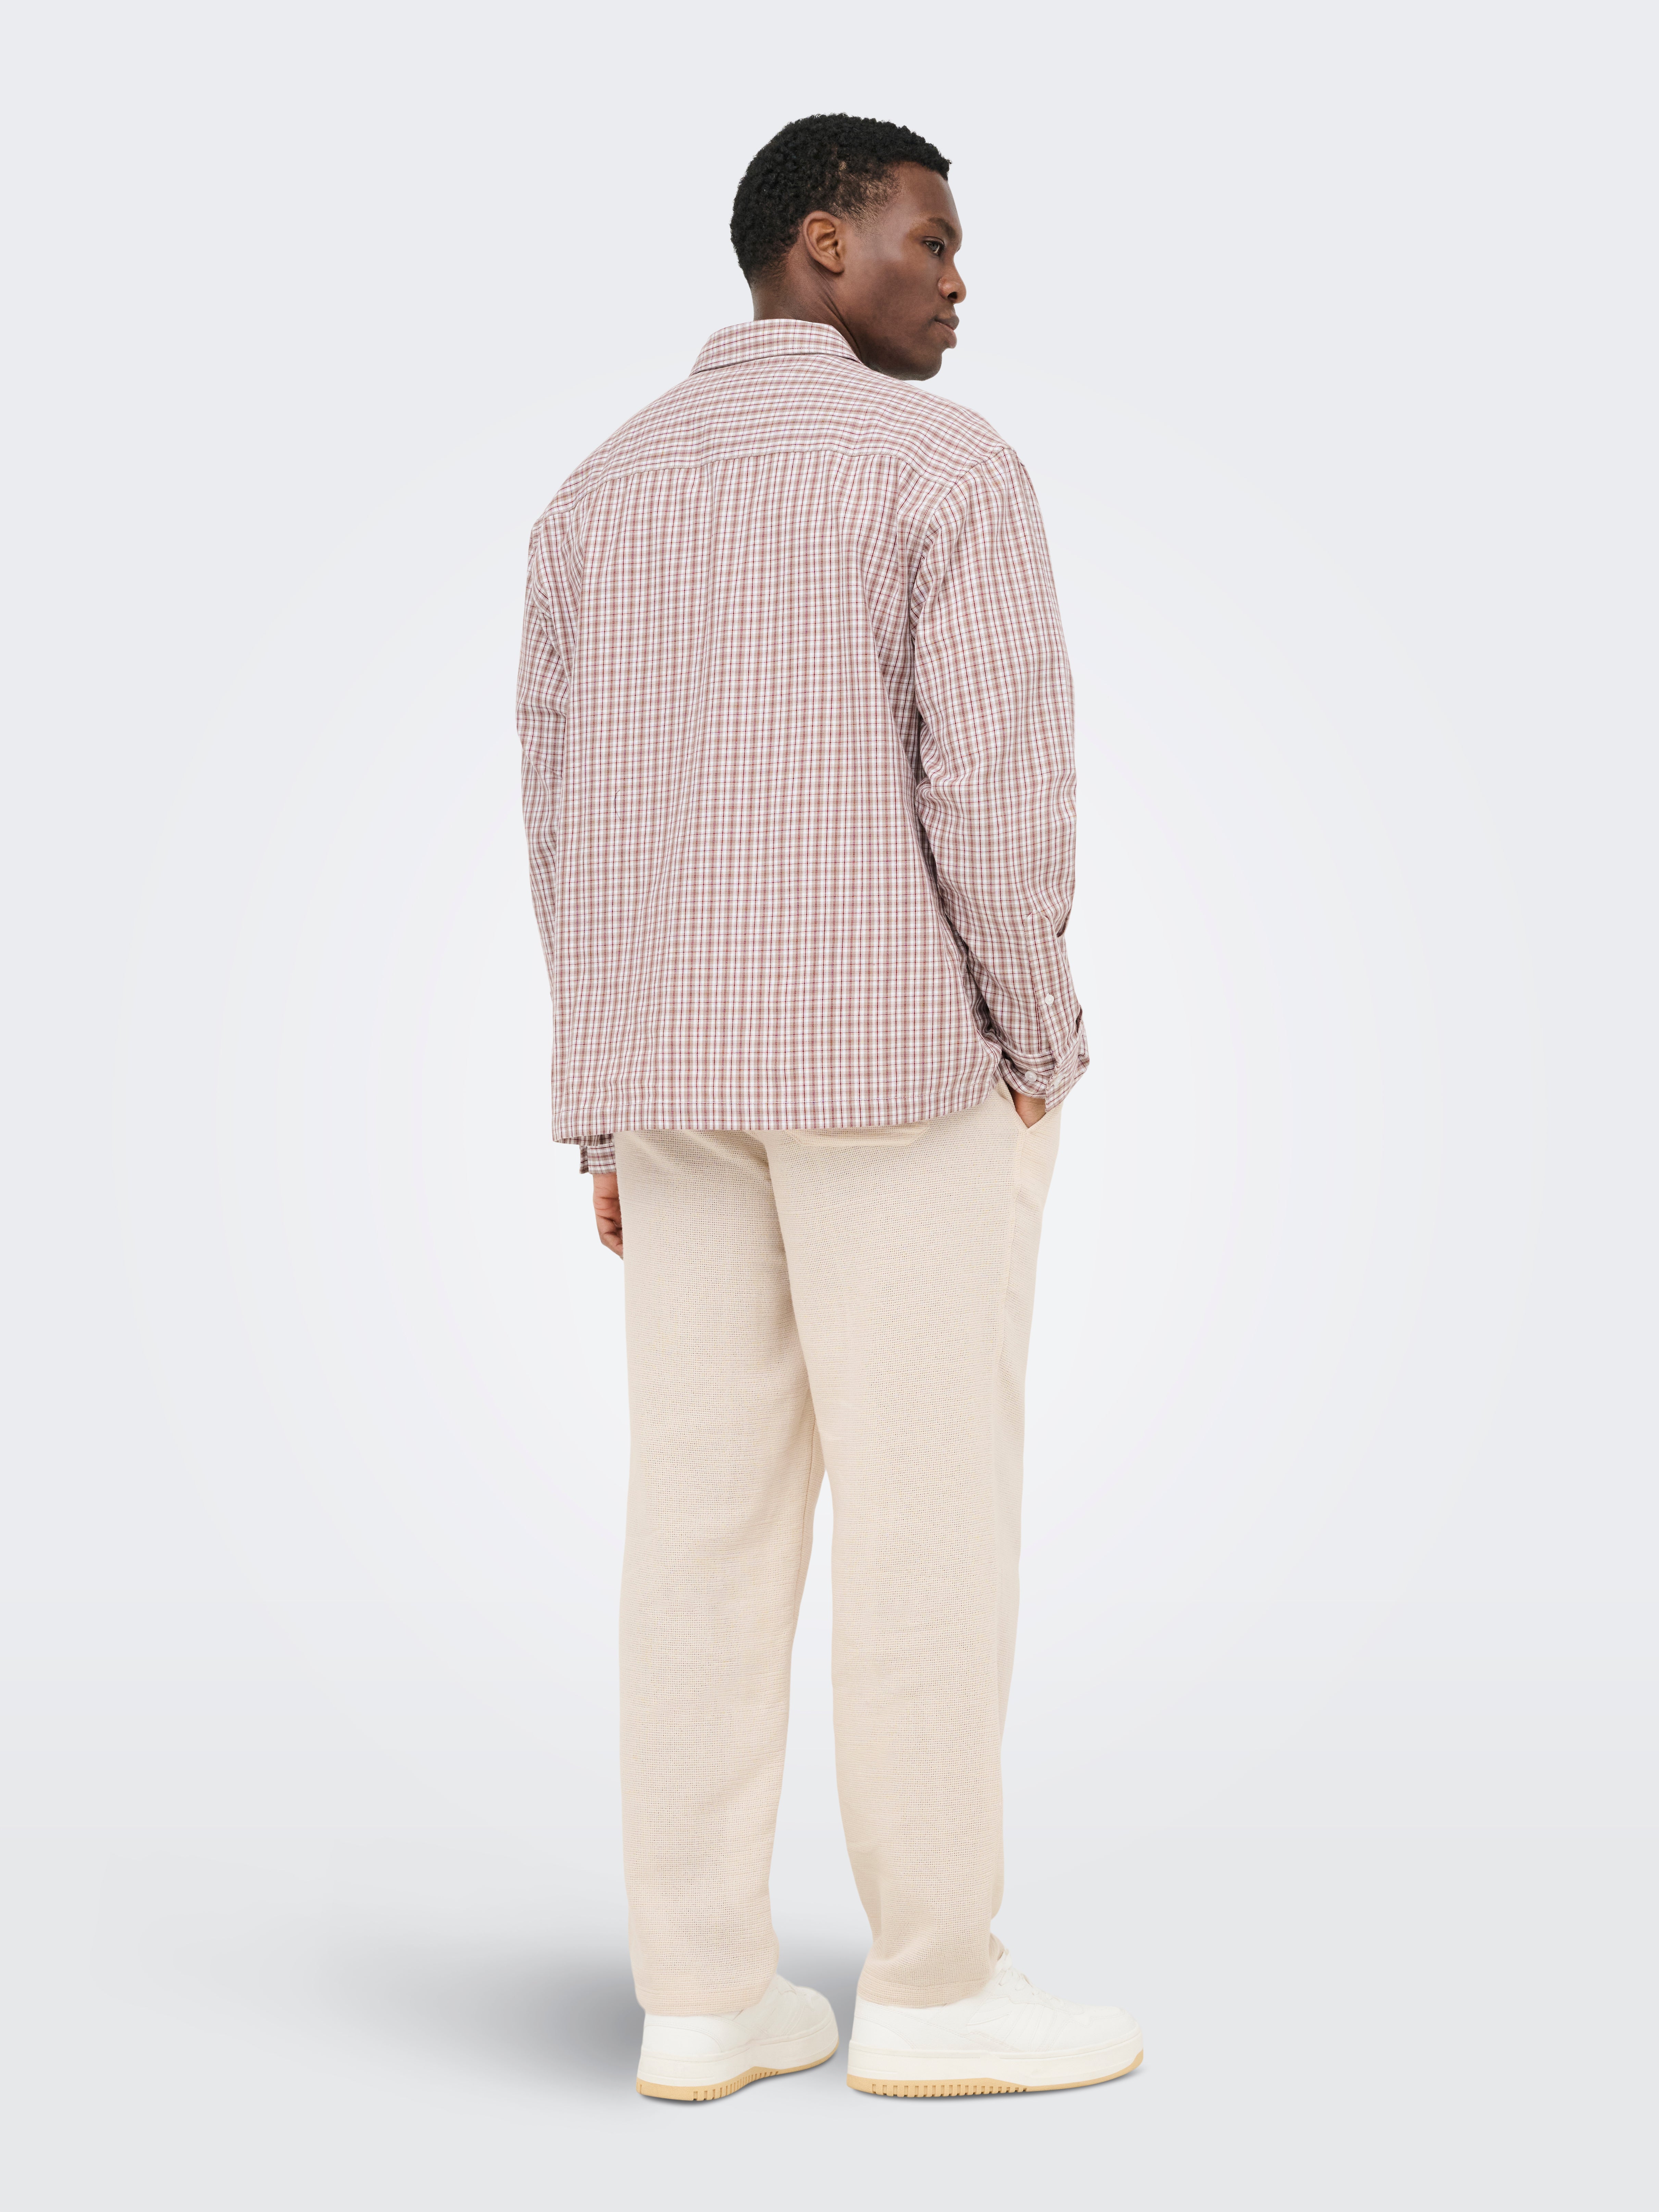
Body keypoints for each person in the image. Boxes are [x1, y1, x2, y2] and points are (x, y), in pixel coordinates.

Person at [517, 112, 1141, 2102]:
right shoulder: (942, 468)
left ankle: (703, 1995)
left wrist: (601, 1112)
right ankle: (935, 1988)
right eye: (928, 240)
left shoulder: (597, 494)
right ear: (820, 244)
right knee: (927, 1524)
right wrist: (1038, 1041)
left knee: (698, 1533)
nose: (958, 280)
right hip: (898, 1075)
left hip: (682, 1089)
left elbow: (563, 822)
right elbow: (1000, 790)